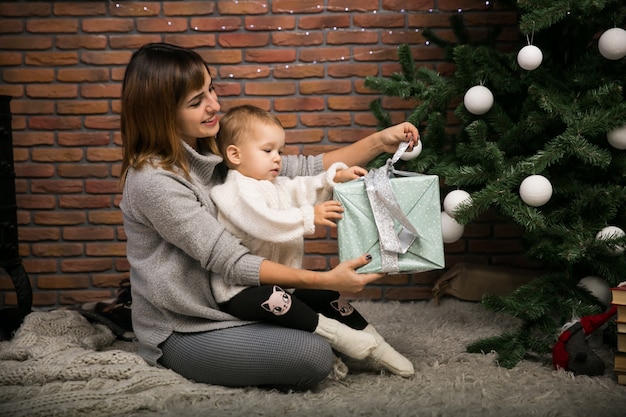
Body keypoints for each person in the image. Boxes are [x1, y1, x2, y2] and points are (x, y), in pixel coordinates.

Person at [119, 42, 420, 391]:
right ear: (161, 114)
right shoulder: (154, 181)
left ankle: (351, 340)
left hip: (238, 302)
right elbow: (230, 261)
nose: (214, 105)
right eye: (196, 101)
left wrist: (380, 142)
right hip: (188, 325)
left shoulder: (212, 145)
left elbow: (299, 168)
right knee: (314, 357)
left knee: (320, 308)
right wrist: (325, 279)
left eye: (211, 89)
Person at [210, 104, 414, 376]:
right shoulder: (233, 191)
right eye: (267, 150)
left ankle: (377, 344)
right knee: (277, 299)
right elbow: (264, 222)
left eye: (280, 151)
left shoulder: (274, 184)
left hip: (283, 280)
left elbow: (304, 186)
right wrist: (310, 216)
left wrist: (333, 179)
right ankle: (338, 337)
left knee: (324, 294)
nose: (277, 159)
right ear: (234, 154)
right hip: (239, 292)